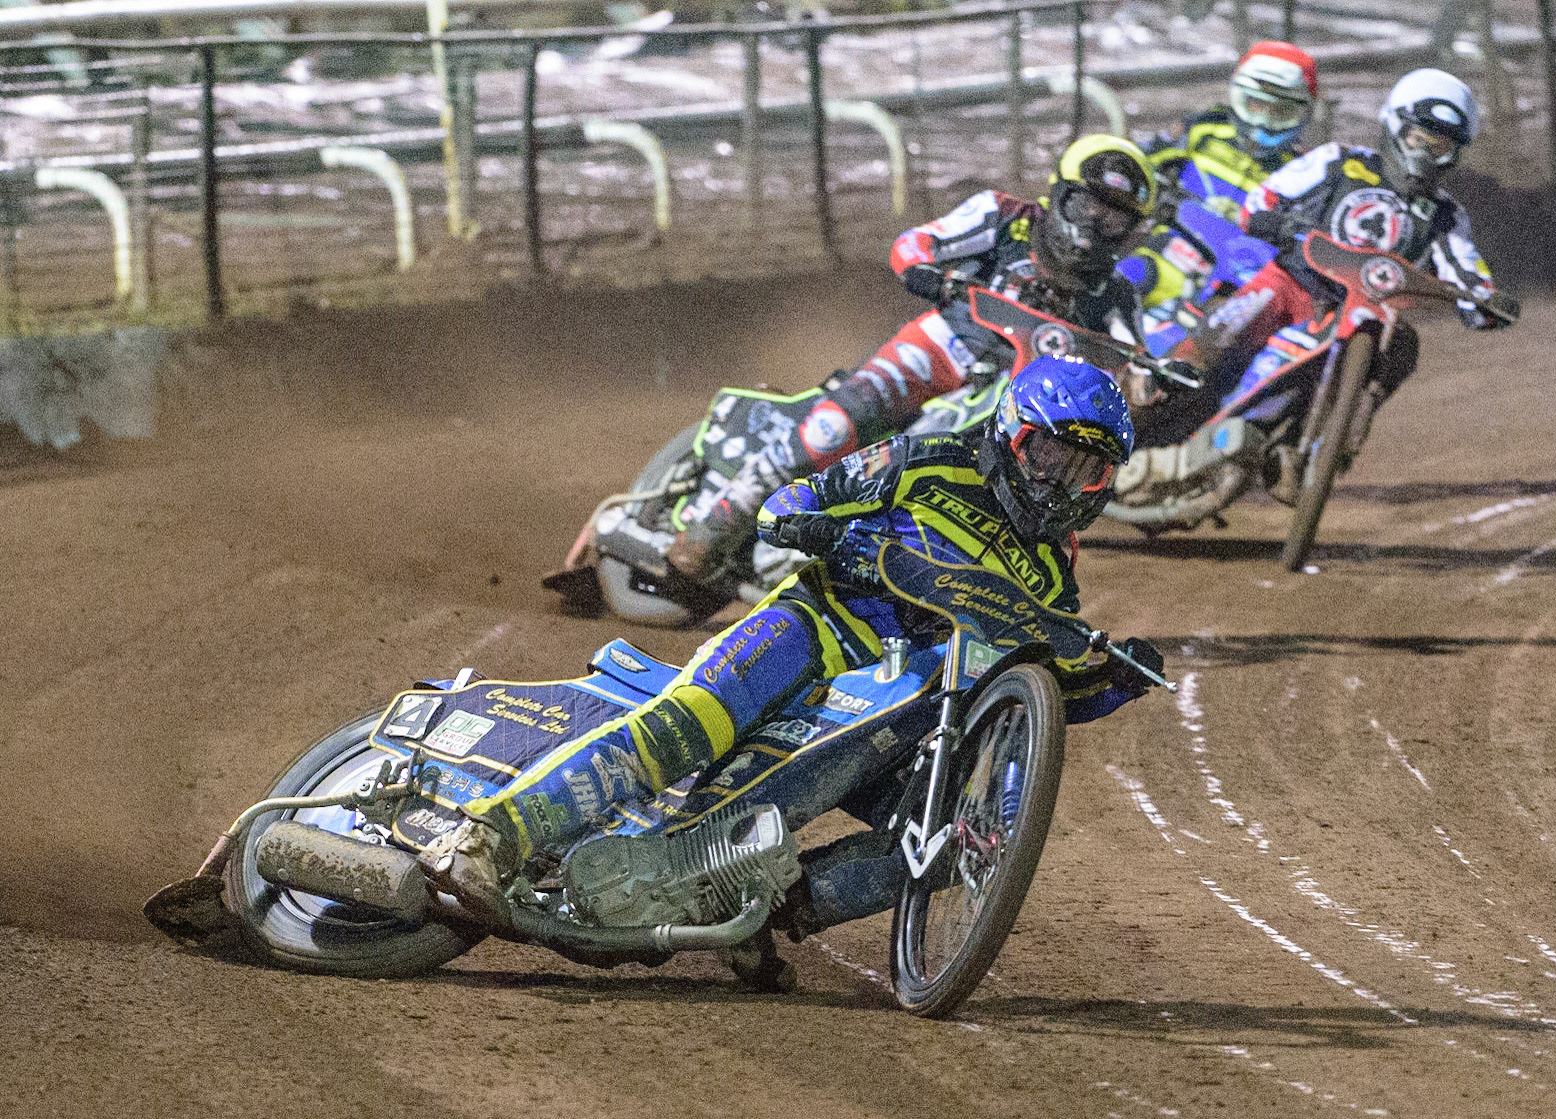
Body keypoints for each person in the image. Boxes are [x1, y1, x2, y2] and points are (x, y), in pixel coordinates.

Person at [424, 355, 1162, 923]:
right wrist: (813, 530)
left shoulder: (1052, 565)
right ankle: (488, 836)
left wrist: (1115, 681)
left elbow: (1051, 674)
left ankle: (772, 922)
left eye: (1088, 469)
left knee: (955, 839)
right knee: (683, 728)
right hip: (811, 631)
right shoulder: (925, 460)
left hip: (899, 708)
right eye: (1054, 455)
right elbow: (793, 499)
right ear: (1012, 432)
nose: (1064, 482)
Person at [664, 134, 1157, 580]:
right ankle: (717, 522)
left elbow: (1135, 362)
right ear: (1063, 194)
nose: (1096, 222)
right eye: (1090, 204)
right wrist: (927, 273)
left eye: (1113, 215)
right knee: (833, 427)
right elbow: (915, 243)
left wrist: (1145, 383)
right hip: (944, 343)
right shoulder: (1005, 217)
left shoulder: (1115, 295)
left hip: (1016, 393)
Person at [1136, 68, 1515, 435]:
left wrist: (1486, 301)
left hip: (1368, 314)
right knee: (1229, 324)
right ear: (1397, 127)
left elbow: (1465, 271)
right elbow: (1266, 197)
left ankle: (1335, 435)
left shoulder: (1446, 215)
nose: (1427, 155)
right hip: (1292, 283)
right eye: (1420, 140)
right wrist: (1274, 220)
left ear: (1456, 152)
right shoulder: (1340, 161)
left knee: (1403, 344)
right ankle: (1148, 394)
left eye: (1441, 147)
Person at [1121, 41, 1319, 312]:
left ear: (1302, 112)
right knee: (1122, 278)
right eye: (1256, 104)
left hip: (1235, 290)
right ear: (1239, 95)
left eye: (1281, 111)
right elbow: (1138, 164)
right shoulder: (1204, 129)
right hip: (1170, 257)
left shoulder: (1302, 172)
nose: (1263, 120)